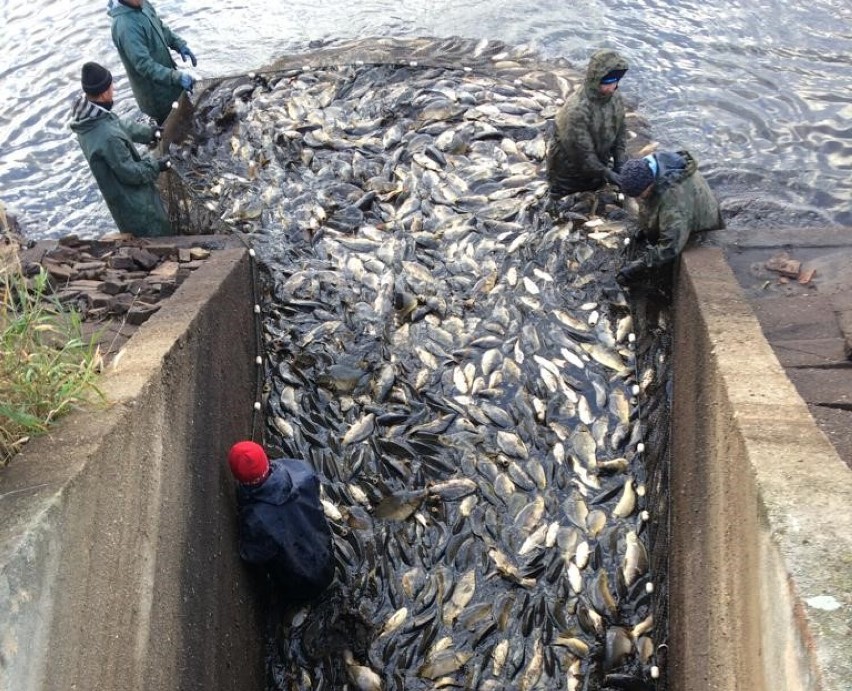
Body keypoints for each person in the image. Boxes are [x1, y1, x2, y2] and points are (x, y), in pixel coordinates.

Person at [70, 62, 173, 237]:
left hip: (116, 197)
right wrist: (155, 165)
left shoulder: (88, 118)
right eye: (111, 87)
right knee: (157, 233)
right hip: (133, 204)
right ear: (104, 93)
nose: (114, 89)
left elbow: (119, 125)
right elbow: (131, 173)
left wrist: (150, 133)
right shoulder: (108, 137)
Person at [227, 441, 335, 601]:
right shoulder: (302, 471)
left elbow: (253, 554)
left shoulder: (257, 518)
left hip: (299, 583)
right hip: (327, 558)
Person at [616, 150, 724, 284]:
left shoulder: (673, 197)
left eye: (640, 195)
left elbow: (670, 246)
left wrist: (638, 266)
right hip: (684, 210)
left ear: (650, 185)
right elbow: (649, 204)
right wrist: (645, 229)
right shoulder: (649, 166)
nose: (638, 199)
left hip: (702, 227)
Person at [547, 48, 629, 197]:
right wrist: (610, 176)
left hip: (598, 168)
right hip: (568, 177)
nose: (613, 87)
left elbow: (621, 129)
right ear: (596, 80)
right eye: (608, 82)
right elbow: (583, 155)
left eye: (616, 81)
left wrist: (619, 161)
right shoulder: (576, 110)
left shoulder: (614, 96)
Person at [109, 0, 198, 125]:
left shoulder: (142, 4)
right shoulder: (125, 27)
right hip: (156, 97)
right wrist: (177, 77)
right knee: (174, 128)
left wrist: (179, 44)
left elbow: (160, 27)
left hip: (171, 85)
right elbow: (144, 65)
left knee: (190, 120)